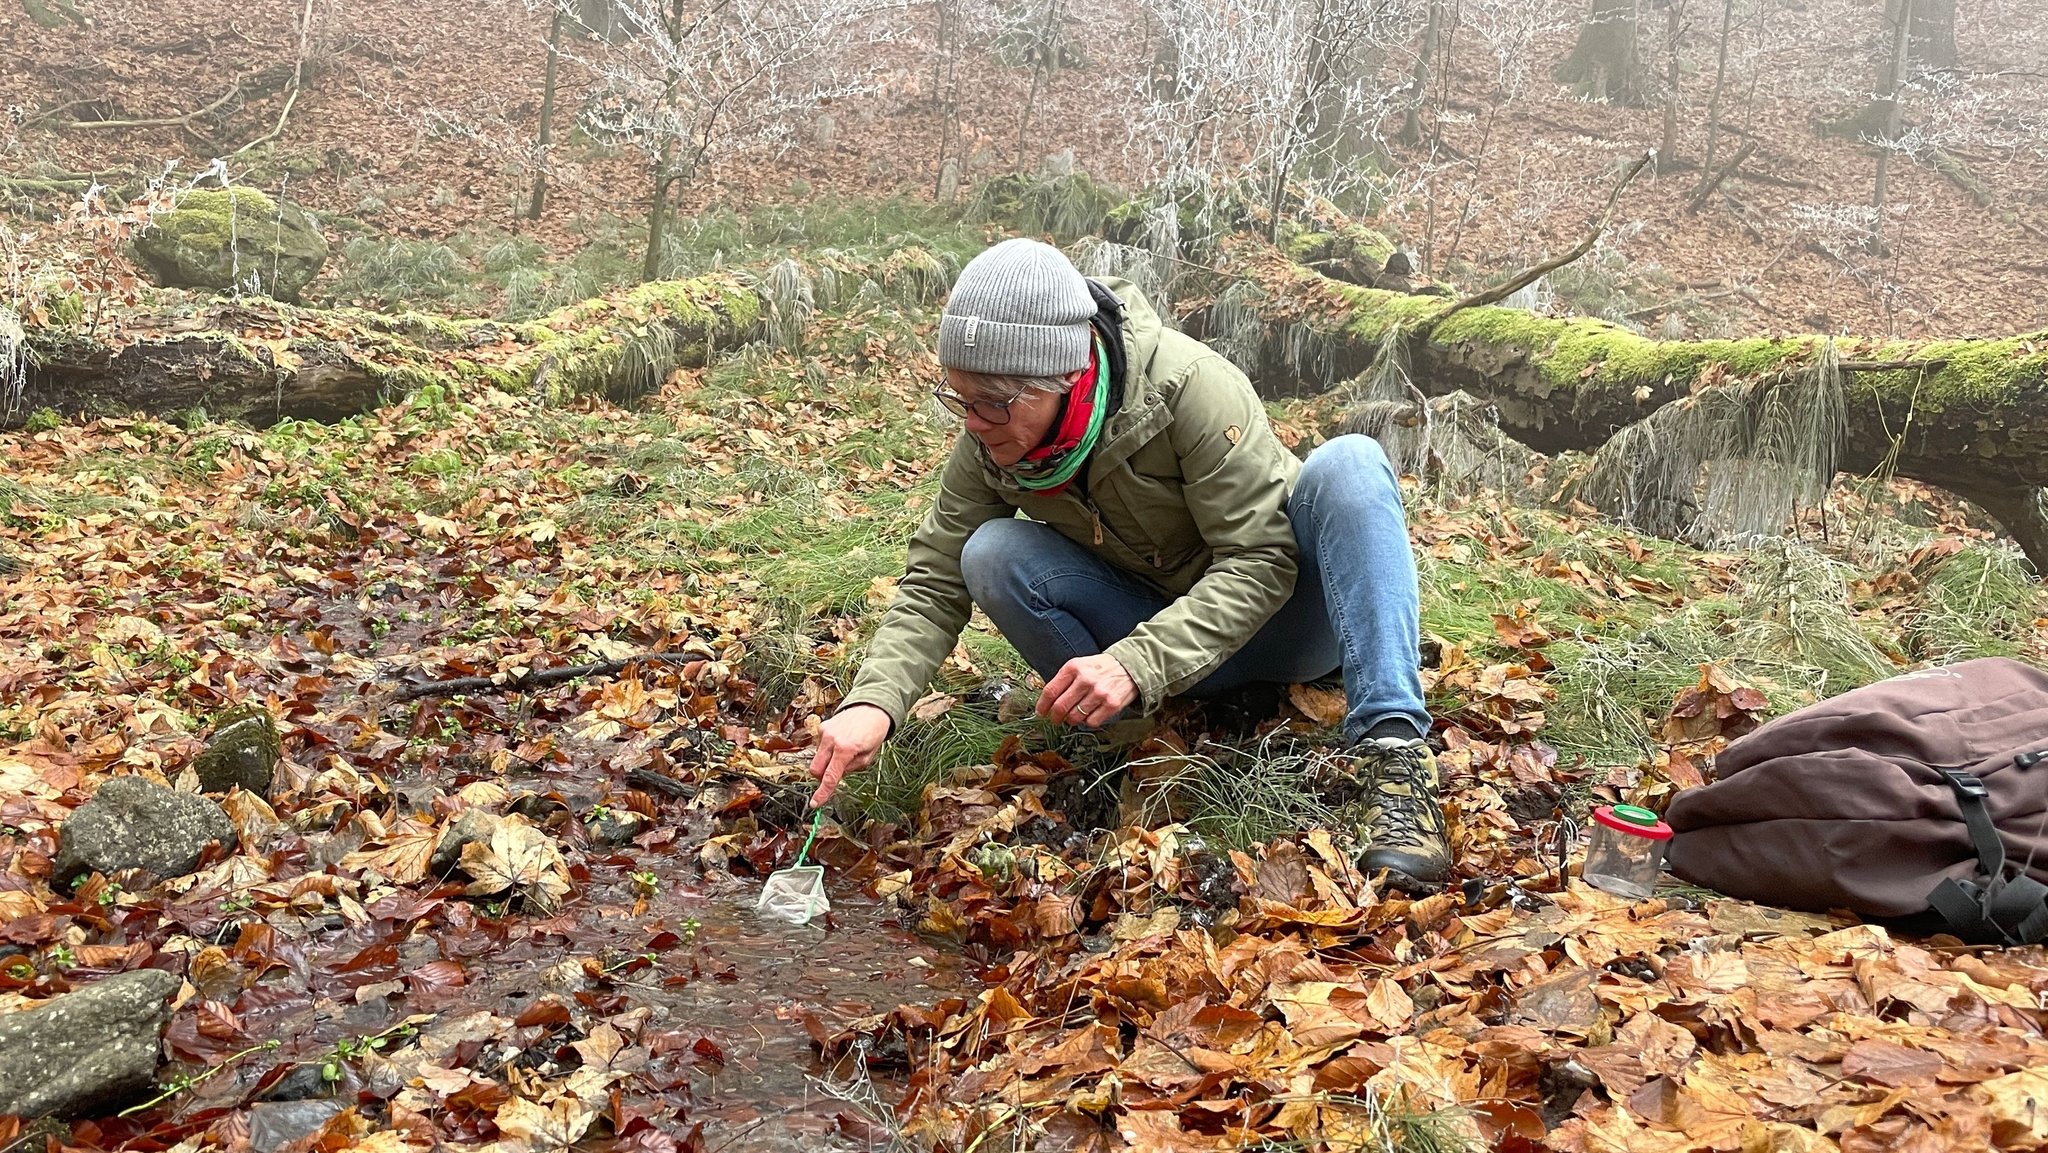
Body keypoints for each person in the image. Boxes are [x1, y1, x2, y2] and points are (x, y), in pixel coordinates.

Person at [805, 238, 1448, 888]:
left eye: (992, 402)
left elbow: (1262, 562)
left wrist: (1135, 661)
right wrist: (875, 703)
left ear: (1063, 377)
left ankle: (1394, 759)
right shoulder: (990, 440)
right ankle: (1126, 751)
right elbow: (938, 575)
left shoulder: (1190, 389)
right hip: (1163, 650)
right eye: (960, 399)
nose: (972, 423)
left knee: (1352, 463)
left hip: (1292, 626)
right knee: (990, 553)